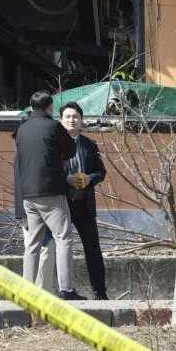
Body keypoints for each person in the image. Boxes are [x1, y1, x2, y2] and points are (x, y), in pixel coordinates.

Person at [14, 90, 85, 300]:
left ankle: (27, 289)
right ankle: (67, 288)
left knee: (33, 243)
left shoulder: (22, 129)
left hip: (28, 195)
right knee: (63, 238)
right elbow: (71, 150)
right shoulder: (53, 126)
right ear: (50, 107)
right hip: (51, 192)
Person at [60, 102, 108, 300]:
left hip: (84, 204)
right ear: (61, 121)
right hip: (61, 203)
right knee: (60, 247)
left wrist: (90, 179)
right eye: (68, 116)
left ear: (81, 121)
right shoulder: (54, 144)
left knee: (93, 249)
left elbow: (101, 171)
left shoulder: (89, 144)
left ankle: (100, 292)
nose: (72, 120)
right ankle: (62, 290)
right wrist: (66, 180)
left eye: (75, 117)